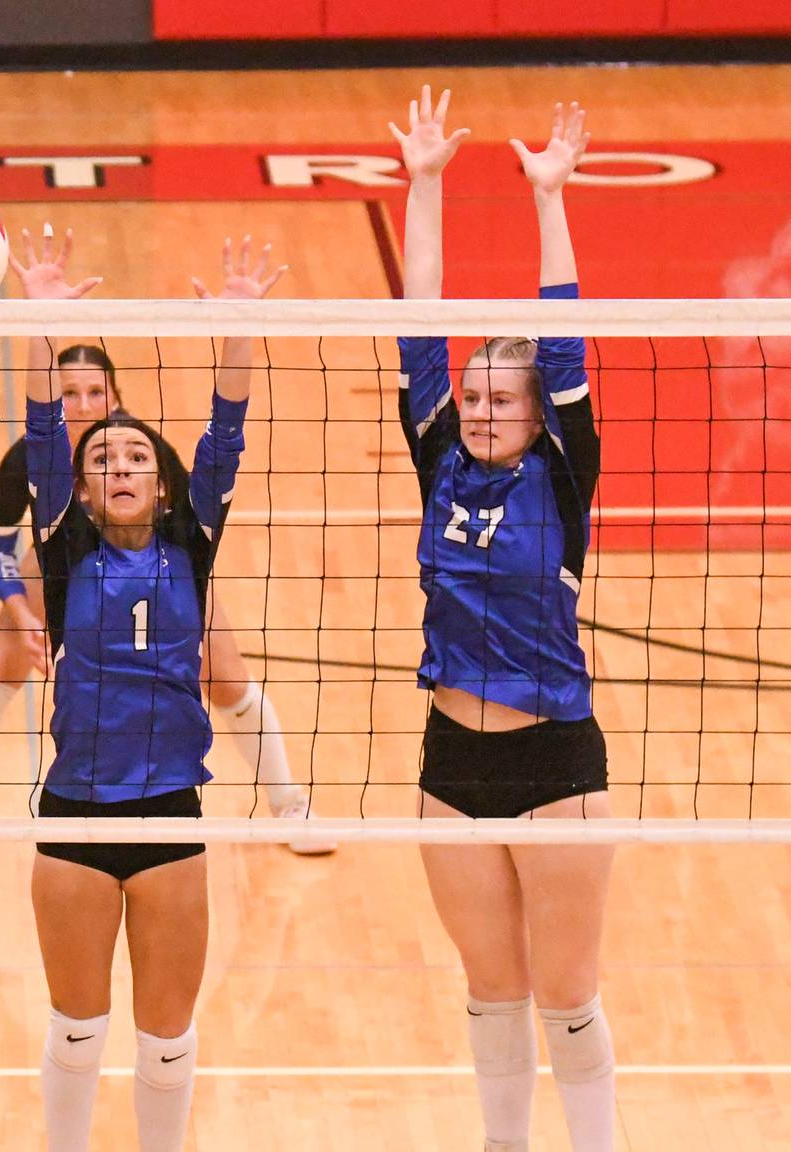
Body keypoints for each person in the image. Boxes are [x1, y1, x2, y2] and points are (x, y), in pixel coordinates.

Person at [0, 225, 335, 860]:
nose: (79, 404)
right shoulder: (38, 462)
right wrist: (20, 611)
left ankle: (291, 804)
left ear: (114, 399)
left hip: (165, 576)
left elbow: (213, 474)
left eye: (93, 393)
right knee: (0, 659)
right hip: (67, 570)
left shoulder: (150, 456)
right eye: (68, 393)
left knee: (228, 679)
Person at [23, 236, 285, 1152]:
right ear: (83, 490)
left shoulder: (193, 544)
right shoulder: (64, 549)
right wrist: (40, 320)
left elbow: (227, 432)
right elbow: (39, 429)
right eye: (103, 459)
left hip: (171, 814)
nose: (121, 465)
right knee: (77, 1030)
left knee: (166, 1042)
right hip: (76, 817)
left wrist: (237, 330)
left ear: (163, 480)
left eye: (137, 454)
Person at [392, 88, 615, 1152]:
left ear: (537, 414)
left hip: (556, 764)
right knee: (491, 990)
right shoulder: (439, 457)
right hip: (452, 764)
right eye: (473, 396)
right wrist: (424, 184)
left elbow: (563, 338)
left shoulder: (563, 478)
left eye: (501, 400)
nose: (479, 410)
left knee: (564, 995)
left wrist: (549, 200)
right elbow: (420, 322)